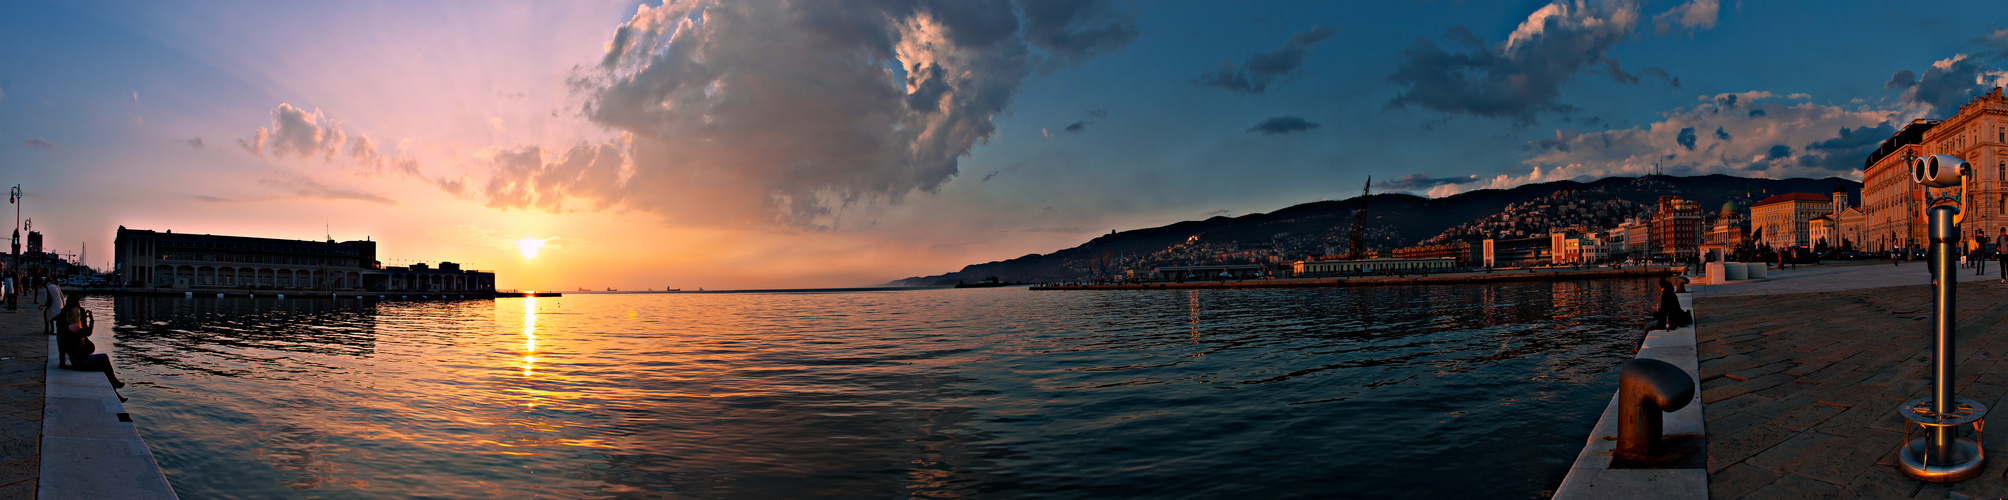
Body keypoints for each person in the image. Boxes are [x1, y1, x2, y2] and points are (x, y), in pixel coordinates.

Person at [55, 295, 124, 389]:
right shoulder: (75, 329)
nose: (80, 308)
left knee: (103, 363)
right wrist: (91, 320)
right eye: (78, 305)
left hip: (79, 360)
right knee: (104, 358)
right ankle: (115, 383)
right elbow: (88, 333)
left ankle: (116, 389)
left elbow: (61, 329)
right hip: (80, 362)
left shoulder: (70, 327)